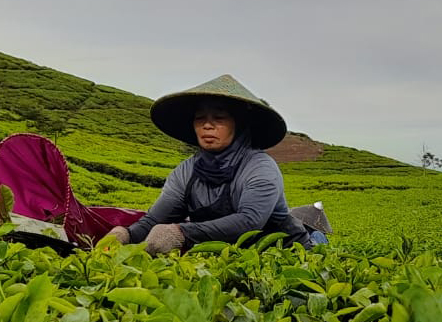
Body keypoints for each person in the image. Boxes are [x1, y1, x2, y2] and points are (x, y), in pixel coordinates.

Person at [104, 74, 312, 255]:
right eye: (200, 118)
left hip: (284, 256)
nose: (207, 125)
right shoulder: (185, 172)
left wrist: (181, 233)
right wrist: (125, 234)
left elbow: (250, 221)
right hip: (230, 259)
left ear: (238, 124)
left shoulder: (260, 167)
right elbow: (155, 220)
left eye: (219, 118)